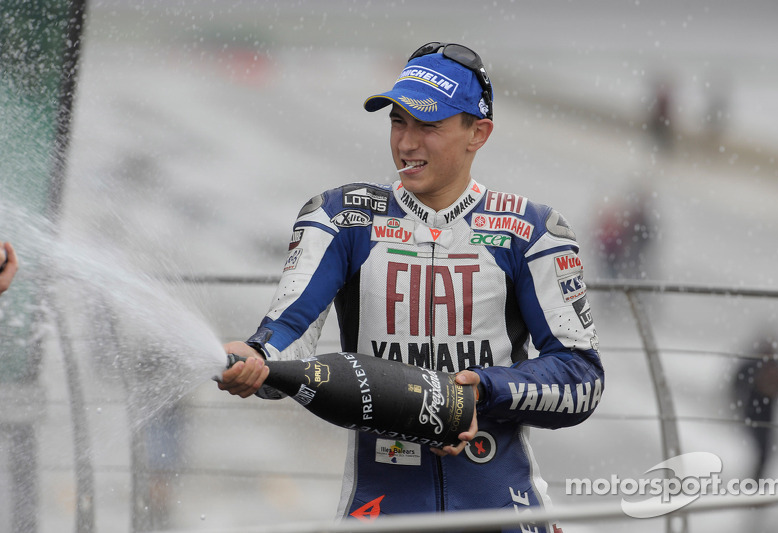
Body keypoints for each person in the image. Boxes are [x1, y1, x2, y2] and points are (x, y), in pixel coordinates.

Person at [218, 42, 604, 532]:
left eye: (429, 125)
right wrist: (254, 358)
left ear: (477, 133)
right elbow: (287, 331)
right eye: (398, 122)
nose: (406, 143)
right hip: (380, 508)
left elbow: (582, 379)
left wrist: (481, 392)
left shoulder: (533, 231)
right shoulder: (341, 218)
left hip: (503, 507)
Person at [731, 333, 778, 480]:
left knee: (765, 449)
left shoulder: (777, 365)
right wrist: (756, 385)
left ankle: (757, 482)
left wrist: (777, 385)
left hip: (767, 413)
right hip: (751, 410)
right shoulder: (752, 364)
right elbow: (738, 382)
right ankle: (753, 483)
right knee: (758, 448)